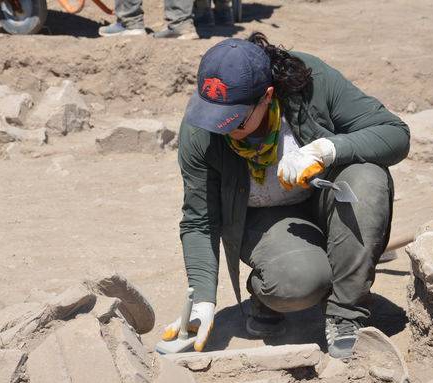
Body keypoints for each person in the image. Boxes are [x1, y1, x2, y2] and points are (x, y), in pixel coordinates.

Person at [161, 33, 410, 358]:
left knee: (367, 178)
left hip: (324, 198)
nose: (221, 129)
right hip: (264, 219)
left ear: (267, 96)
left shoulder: (311, 83)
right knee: (297, 283)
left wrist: (329, 149)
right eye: (215, 116)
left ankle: (347, 315)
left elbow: (395, 133)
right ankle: (270, 293)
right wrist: (202, 300)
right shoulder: (201, 129)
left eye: (234, 121)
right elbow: (199, 220)